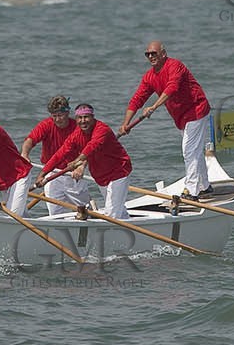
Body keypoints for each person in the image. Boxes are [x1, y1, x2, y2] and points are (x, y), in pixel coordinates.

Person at [119, 40, 212, 200]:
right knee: (194, 151)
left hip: (196, 109)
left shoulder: (175, 66)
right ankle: (204, 186)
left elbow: (172, 87)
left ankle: (192, 191)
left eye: (153, 53)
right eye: (147, 54)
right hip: (181, 116)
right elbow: (137, 99)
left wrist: (153, 107)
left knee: (189, 150)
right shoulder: (149, 76)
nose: (150, 56)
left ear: (163, 53)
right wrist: (125, 124)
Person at [36, 103, 132, 220]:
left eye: (86, 117)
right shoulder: (76, 135)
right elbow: (59, 155)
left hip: (119, 172)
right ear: (76, 119)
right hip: (101, 176)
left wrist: (77, 161)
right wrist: (42, 175)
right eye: (80, 118)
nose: (83, 121)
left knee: (112, 215)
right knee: (119, 211)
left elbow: (92, 146)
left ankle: (113, 236)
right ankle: (131, 229)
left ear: (92, 117)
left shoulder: (102, 129)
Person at [20, 95, 90, 216]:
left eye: (60, 115)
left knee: (85, 211)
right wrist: (24, 154)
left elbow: (87, 151)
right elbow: (30, 141)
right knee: (55, 214)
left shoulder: (77, 127)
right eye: (54, 116)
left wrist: (81, 167)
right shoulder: (46, 125)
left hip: (72, 174)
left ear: (68, 112)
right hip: (51, 175)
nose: (57, 119)